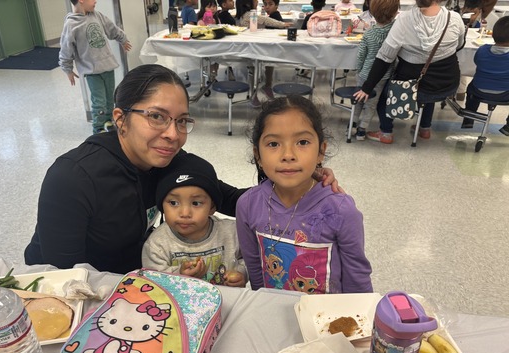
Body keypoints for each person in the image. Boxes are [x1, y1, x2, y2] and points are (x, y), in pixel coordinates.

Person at [25, 64, 340, 274]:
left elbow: (233, 200)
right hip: (81, 286)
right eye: (157, 117)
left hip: (135, 278)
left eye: (181, 121)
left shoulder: (168, 160)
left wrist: (300, 180)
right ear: (120, 118)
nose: (173, 134)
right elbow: (60, 276)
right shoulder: (72, 179)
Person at [236, 95, 373, 294]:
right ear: (258, 155)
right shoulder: (247, 205)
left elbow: (357, 277)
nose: (288, 154)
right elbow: (255, 269)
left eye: (302, 142)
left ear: (321, 151)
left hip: (326, 320)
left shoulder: (341, 211)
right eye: (274, 144)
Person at [353, 0, 466, 144]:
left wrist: (367, 87)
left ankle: (386, 133)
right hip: (447, 84)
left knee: (384, 96)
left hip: (411, 86)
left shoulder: (404, 20)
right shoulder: (455, 18)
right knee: (428, 90)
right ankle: (425, 128)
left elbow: (385, 57)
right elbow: (460, 44)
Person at [142, 153, 247, 287]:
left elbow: (252, 259)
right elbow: (152, 282)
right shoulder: (157, 245)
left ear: (212, 207)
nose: (185, 213)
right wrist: (179, 274)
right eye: (173, 203)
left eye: (196, 203)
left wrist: (241, 273)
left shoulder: (233, 233)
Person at [59, 0, 132, 134]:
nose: (95, 1)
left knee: (110, 99)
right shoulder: (71, 24)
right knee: (99, 102)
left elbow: (112, 29)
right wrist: (67, 69)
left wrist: (122, 39)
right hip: (92, 71)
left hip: (107, 66)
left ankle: (108, 122)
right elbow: (65, 48)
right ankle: (98, 129)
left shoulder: (97, 15)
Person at [352, 0, 399, 141]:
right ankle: (362, 130)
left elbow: (361, 56)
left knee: (358, 99)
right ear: (396, 12)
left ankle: (352, 123)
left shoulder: (369, 34)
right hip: (383, 76)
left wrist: (359, 70)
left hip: (364, 73)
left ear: (371, 11)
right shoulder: (394, 32)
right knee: (371, 104)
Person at [461, 16, 509, 137]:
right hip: (504, 94)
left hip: (478, 91)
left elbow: (477, 62)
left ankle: (469, 117)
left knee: (471, 88)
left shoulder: (482, 50)